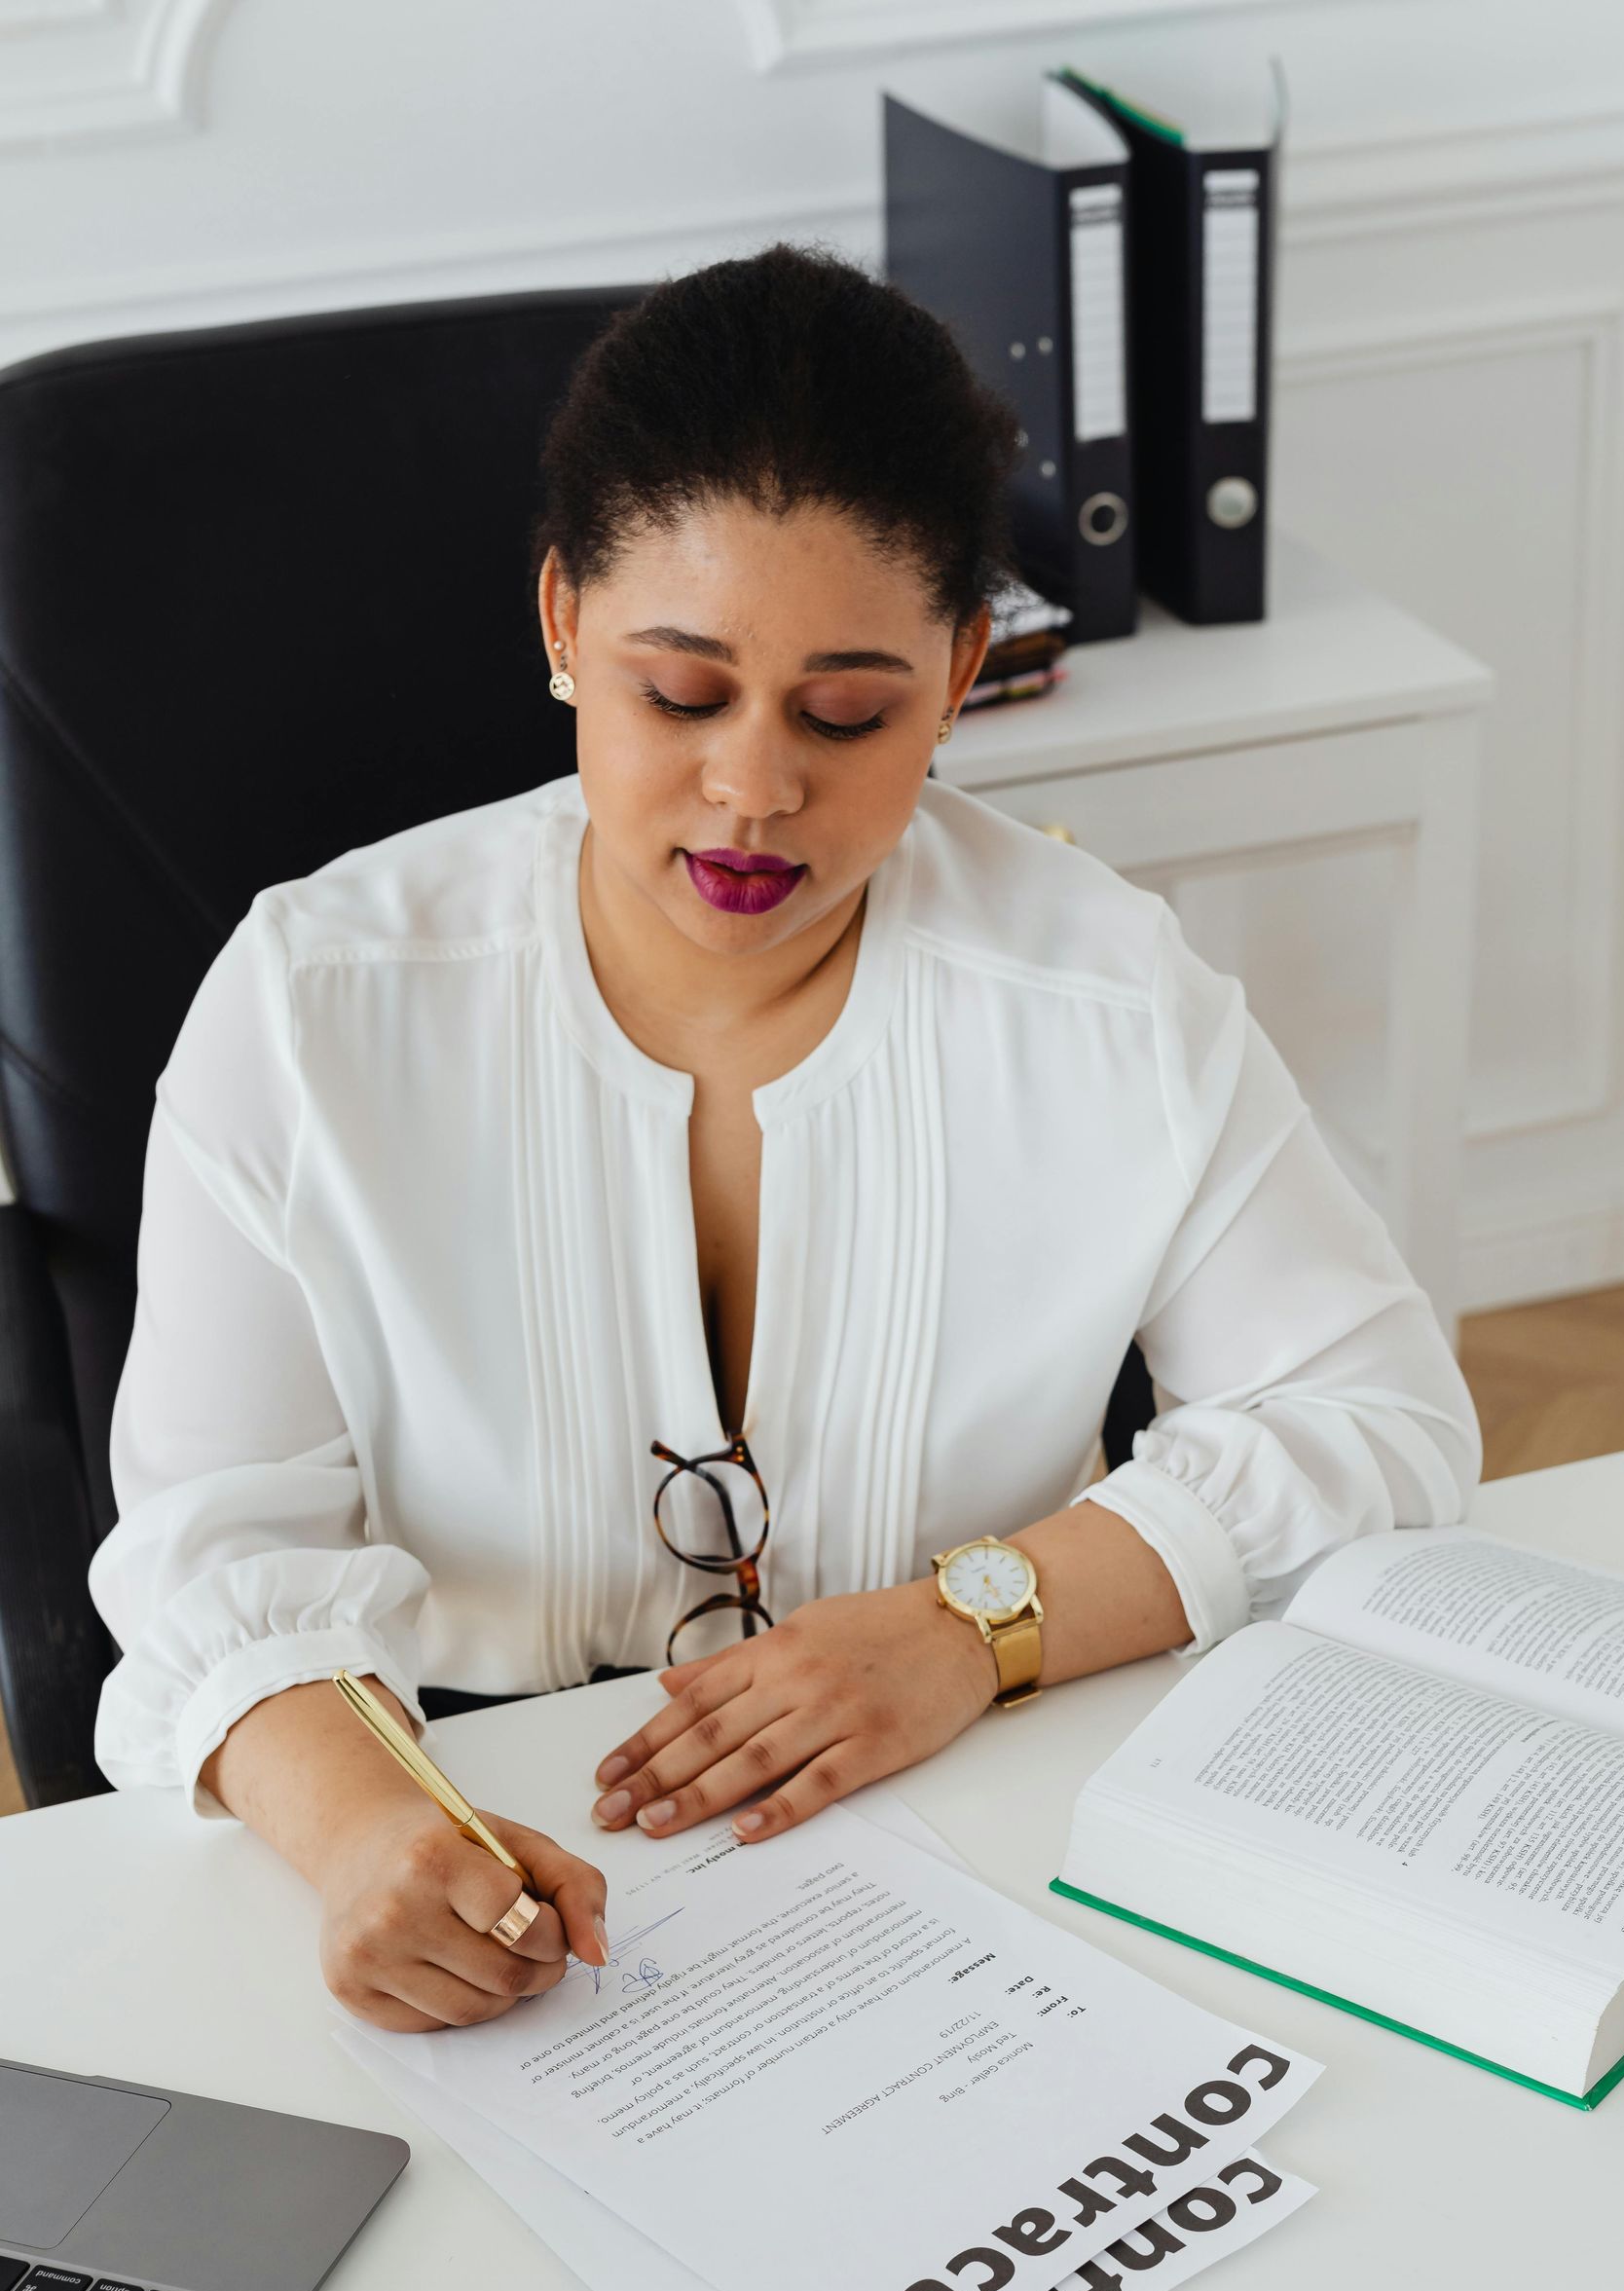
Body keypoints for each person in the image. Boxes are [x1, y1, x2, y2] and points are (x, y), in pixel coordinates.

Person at [89, 243, 1482, 2036]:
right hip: (477, 1824)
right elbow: (214, 1551)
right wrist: (368, 1835)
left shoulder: (1107, 999)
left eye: (848, 713)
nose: (756, 789)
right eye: (681, 694)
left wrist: (978, 1622)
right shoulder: (312, 1002)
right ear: (562, 627)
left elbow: (1380, 1425)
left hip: (973, 1819)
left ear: (966, 669)